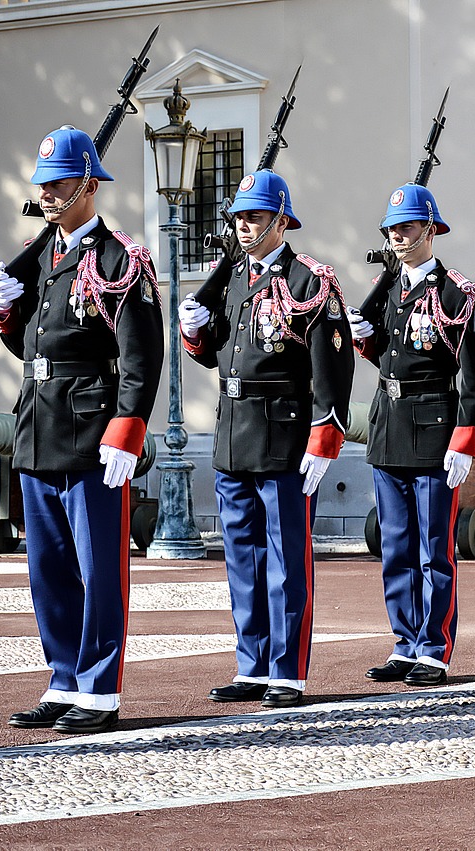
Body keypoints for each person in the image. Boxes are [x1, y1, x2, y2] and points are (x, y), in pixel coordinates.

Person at [0, 126, 163, 735]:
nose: (48, 193)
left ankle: (100, 688)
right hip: (38, 425)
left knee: (98, 567)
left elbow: (142, 357)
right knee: (51, 569)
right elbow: (35, 347)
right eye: (43, 184)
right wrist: (6, 310)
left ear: (88, 183)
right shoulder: (44, 257)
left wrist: (129, 427)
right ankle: (63, 676)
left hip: (93, 432)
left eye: (59, 182)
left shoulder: (121, 258)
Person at [180, 168, 354, 708]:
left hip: (284, 435)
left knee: (285, 560)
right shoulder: (230, 277)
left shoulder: (310, 280)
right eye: (238, 217)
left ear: (281, 219)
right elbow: (216, 353)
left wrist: (325, 437)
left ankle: (287, 670)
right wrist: (193, 329)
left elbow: (332, 368)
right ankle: (251, 664)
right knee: (242, 560)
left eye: (255, 216)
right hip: (234, 431)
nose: (244, 225)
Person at [348, 184, 475, 686]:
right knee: (396, 547)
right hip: (388, 422)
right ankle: (405, 640)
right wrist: (365, 342)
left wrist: (466, 435)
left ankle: (434, 646)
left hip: (434, 426)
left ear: (430, 230)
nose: (398, 236)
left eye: (407, 227)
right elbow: (387, 356)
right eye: (392, 229)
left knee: (435, 547)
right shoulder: (386, 289)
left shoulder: (457, 293)